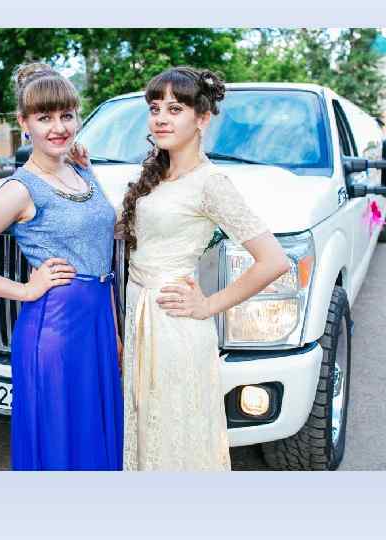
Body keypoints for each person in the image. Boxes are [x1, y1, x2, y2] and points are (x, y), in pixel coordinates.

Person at [0, 63, 123, 471]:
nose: (59, 127)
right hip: (56, 330)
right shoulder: (20, 189)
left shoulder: (81, 170)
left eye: (66, 115)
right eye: (44, 117)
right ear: (24, 123)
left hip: (98, 325)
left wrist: (115, 330)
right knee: (61, 444)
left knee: (96, 437)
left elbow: (101, 248)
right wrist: (23, 290)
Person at [118, 67, 291, 470]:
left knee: (176, 437)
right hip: (140, 316)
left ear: (202, 119)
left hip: (174, 326)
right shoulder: (156, 174)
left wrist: (209, 305)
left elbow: (273, 260)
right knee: (146, 433)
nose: (161, 118)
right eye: (155, 108)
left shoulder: (211, 182)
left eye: (175, 109)